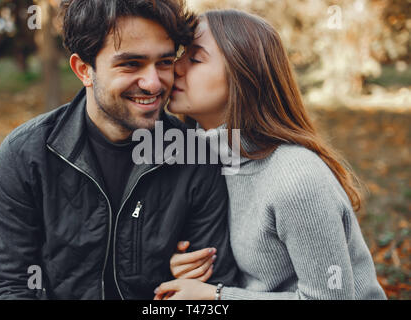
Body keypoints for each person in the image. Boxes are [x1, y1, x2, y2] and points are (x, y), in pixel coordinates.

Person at [0, 0, 239, 300]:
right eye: (131, 63)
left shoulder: (196, 157)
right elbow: (10, 285)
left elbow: (211, 290)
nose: (153, 83)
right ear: (84, 70)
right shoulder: (26, 155)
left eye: (165, 62)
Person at [154, 9, 387, 300]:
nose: (175, 67)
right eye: (180, 54)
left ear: (244, 77)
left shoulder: (297, 179)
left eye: (196, 58)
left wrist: (216, 297)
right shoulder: (211, 163)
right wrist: (189, 268)